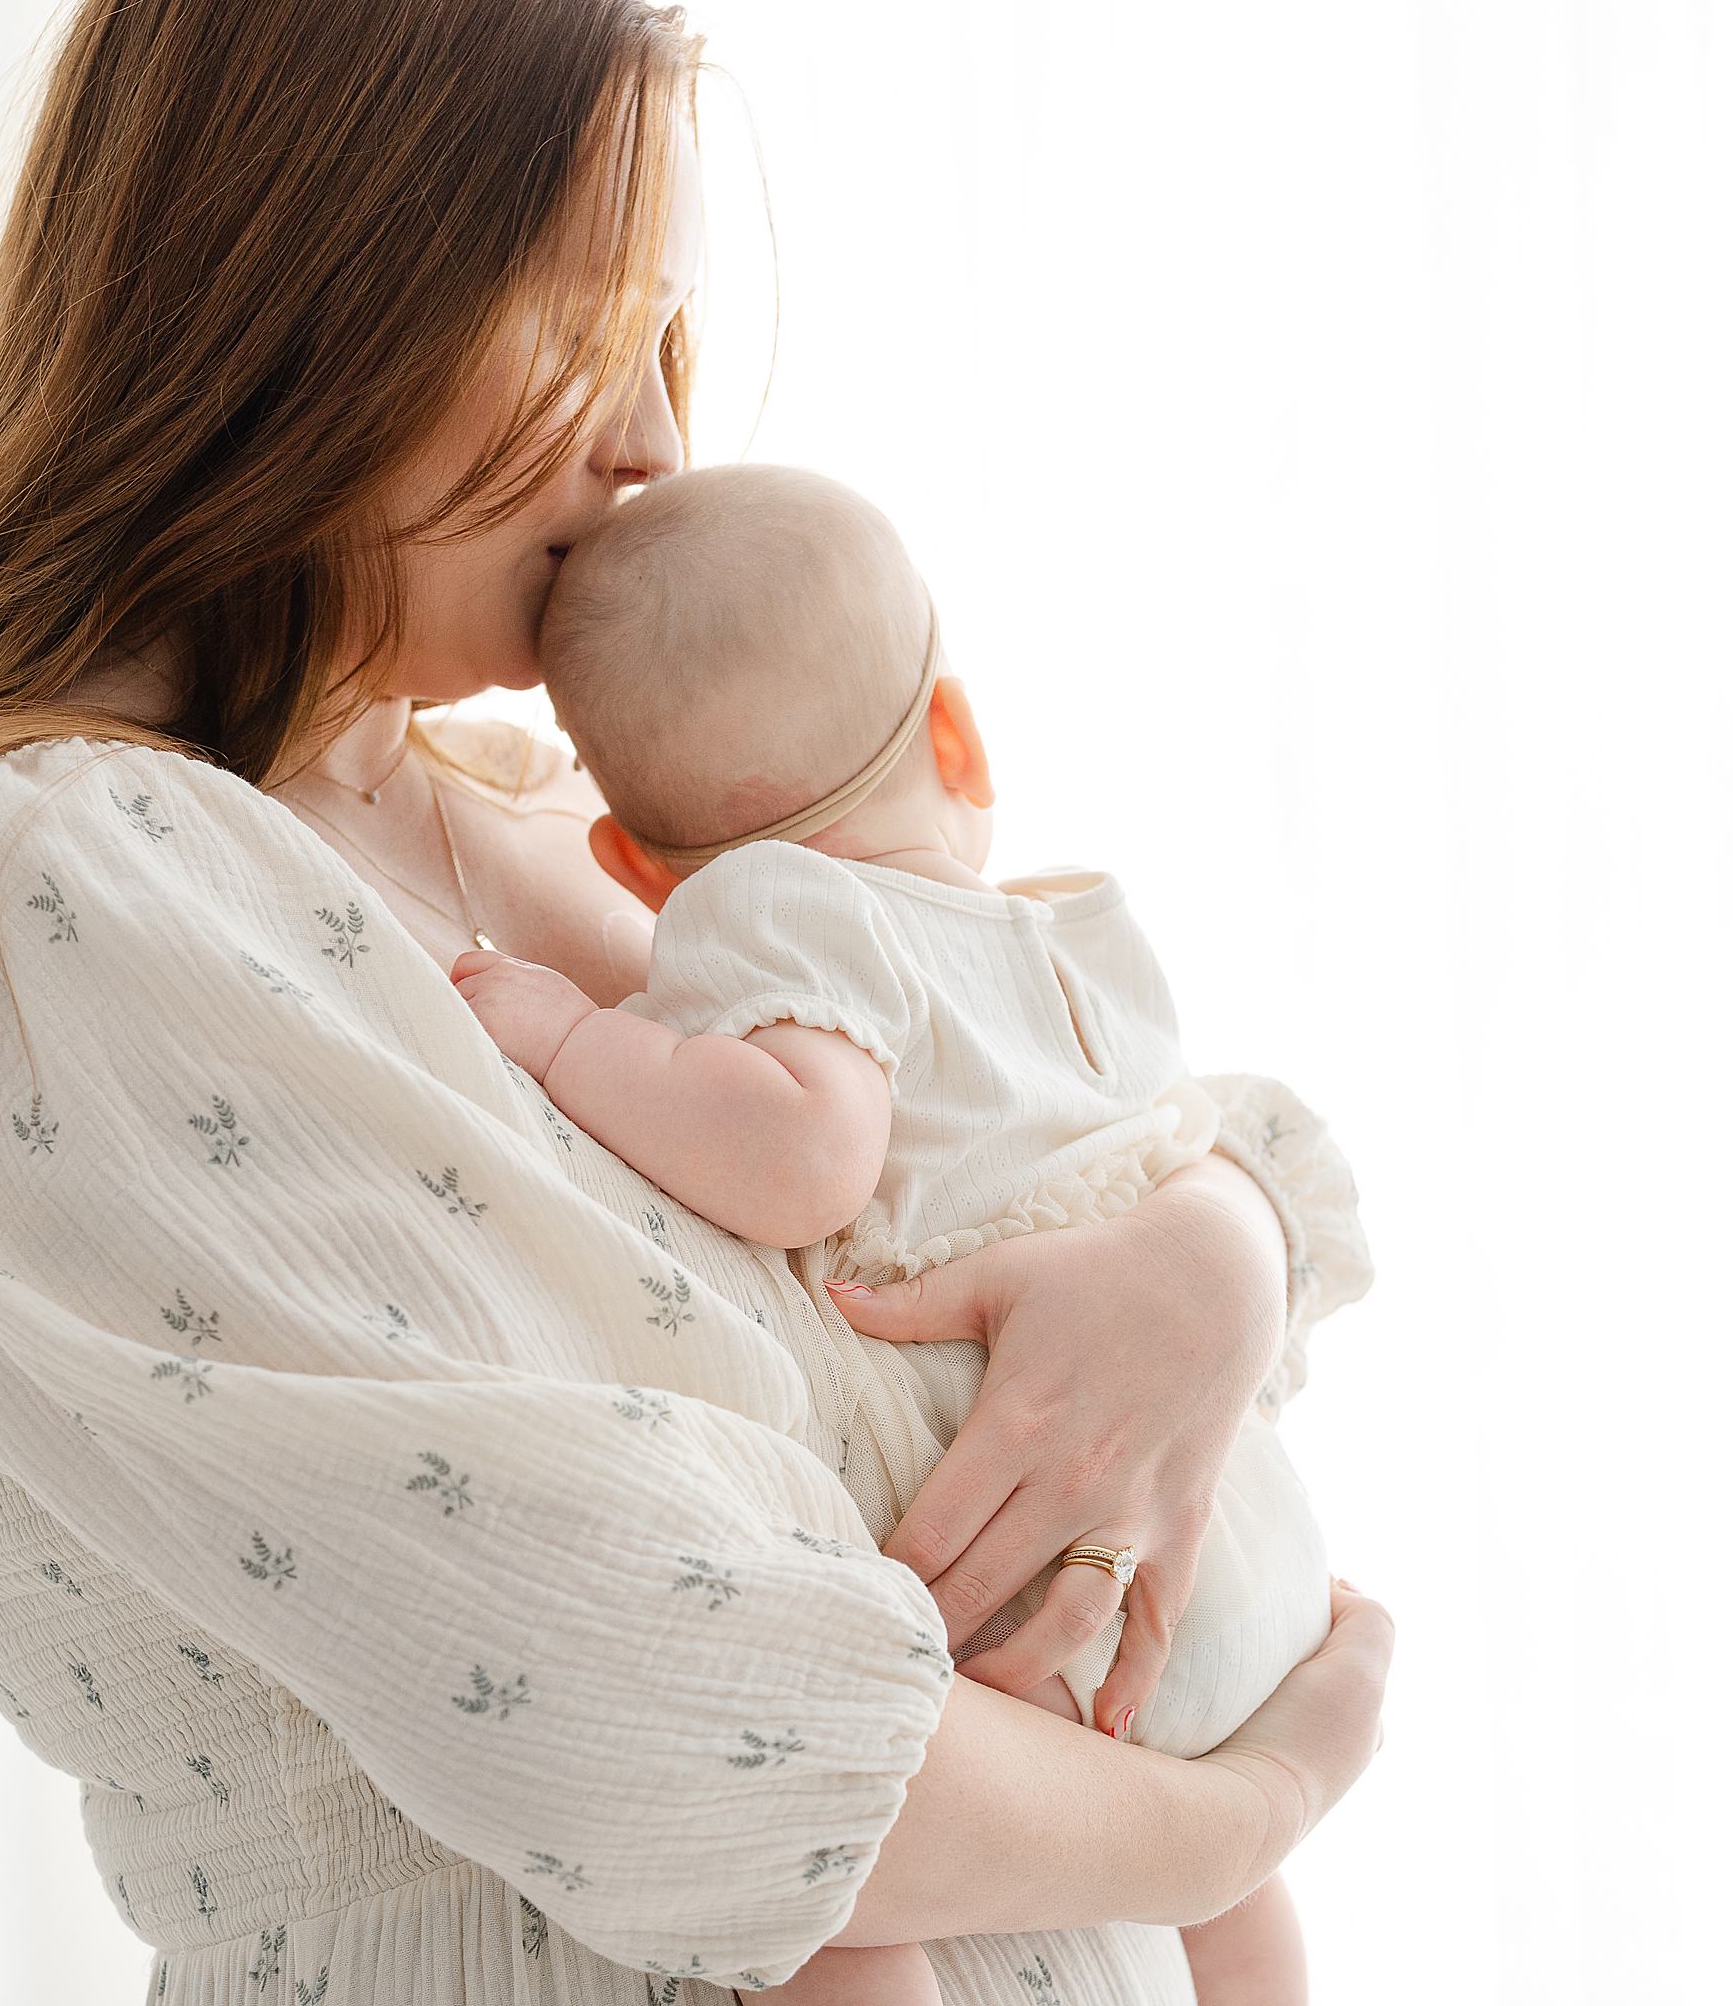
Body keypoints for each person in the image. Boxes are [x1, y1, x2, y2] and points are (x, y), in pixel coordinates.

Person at [0, 0, 1393, 2002]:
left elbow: (1049, 1085)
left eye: (669, 343)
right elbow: (690, 1715)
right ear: (327, 278)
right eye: (592, 336)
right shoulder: (72, 899)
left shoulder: (543, 826)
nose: (656, 446)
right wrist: (1245, 1815)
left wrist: (1208, 1252)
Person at [450, 461, 1353, 2003]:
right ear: (956, 730)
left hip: (1031, 1572)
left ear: (632, 863)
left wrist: (566, 1043)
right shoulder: (1081, 932)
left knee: (822, 1867)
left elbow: (805, 1155)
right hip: (1228, 1536)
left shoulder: (779, 911)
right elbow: (1217, 1144)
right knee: (1235, 1883)